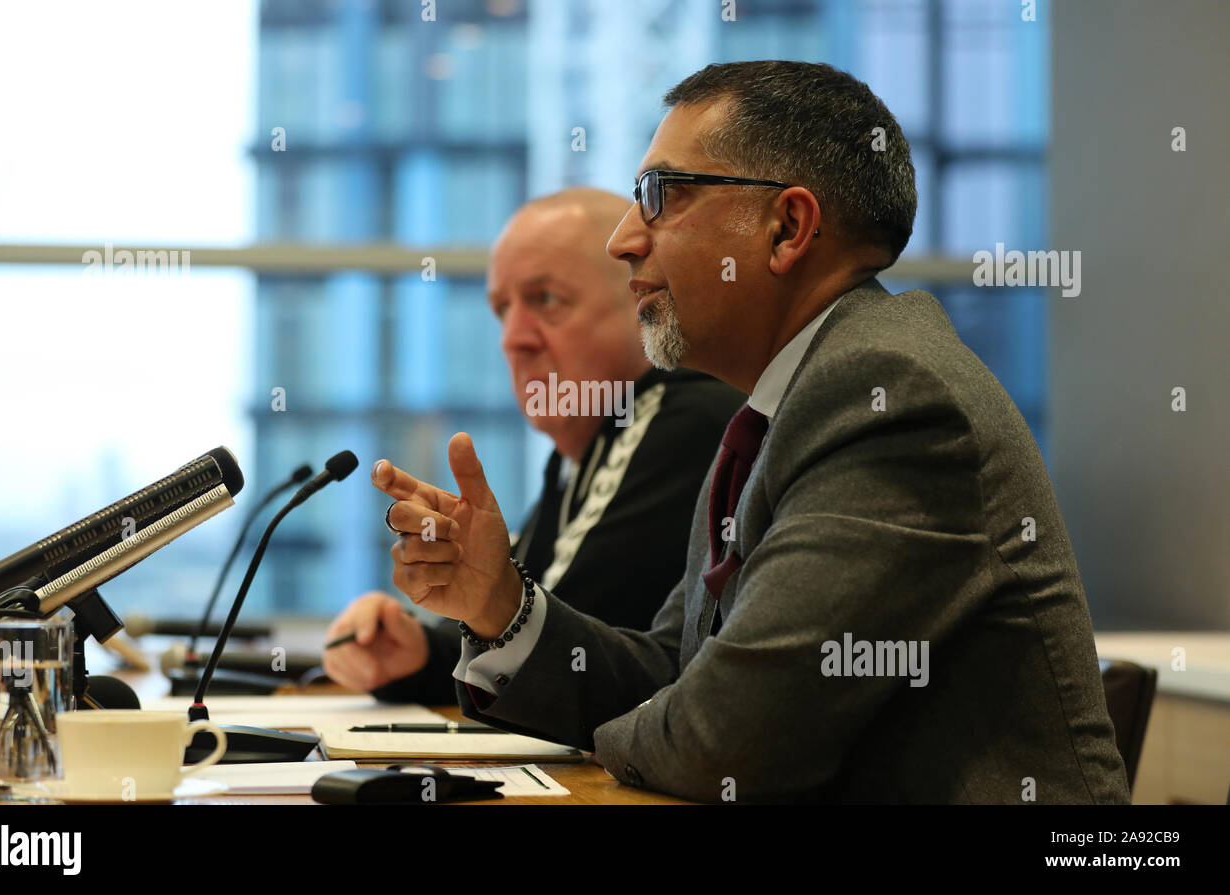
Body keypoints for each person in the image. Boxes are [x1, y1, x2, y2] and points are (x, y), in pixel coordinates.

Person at [370, 61, 1131, 804]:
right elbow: (678, 668)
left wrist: (617, 736)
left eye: (660, 195)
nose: (625, 239)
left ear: (787, 228)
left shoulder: (890, 399)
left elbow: (723, 738)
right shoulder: (778, 405)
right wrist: (502, 605)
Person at [322, 188, 743, 703]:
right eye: (502, 309)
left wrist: (483, 611)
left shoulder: (682, 417)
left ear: (642, 303)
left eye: (545, 300)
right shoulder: (580, 455)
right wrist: (416, 652)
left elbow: (551, 643)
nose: (513, 338)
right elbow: (523, 631)